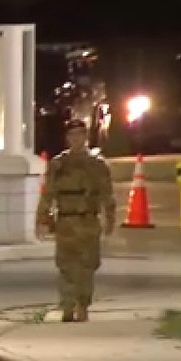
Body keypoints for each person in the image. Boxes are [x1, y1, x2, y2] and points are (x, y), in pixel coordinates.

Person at [35, 119, 115, 322]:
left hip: (88, 220)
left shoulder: (97, 164)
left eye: (80, 134)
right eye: (72, 135)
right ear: (67, 138)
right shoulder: (58, 164)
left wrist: (109, 219)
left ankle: (82, 304)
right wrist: (42, 218)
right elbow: (48, 194)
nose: (76, 139)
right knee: (66, 264)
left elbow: (107, 194)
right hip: (66, 221)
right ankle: (68, 305)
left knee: (87, 265)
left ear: (85, 136)